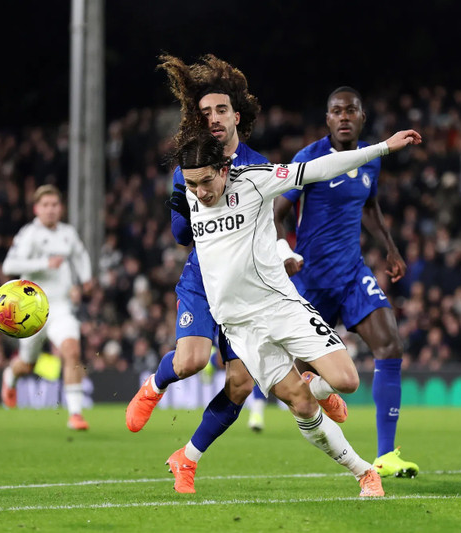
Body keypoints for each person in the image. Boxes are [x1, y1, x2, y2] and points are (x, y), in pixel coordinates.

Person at [169, 120, 421, 496]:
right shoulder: (191, 193)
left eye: (206, 182)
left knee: (347, 381)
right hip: (241, 327)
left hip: (281, 305)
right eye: (191, 184)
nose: (200, 193)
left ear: (224, 169)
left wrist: (382, 147)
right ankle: (363, 472)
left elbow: (319, 168)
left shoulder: (255, 180)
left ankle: (313, 383)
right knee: (301, 406)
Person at [125, 56, 341, 492]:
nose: (214, 119)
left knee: (240, 384)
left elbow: (268, 229)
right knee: (191, 362)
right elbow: (181, 235)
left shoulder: (257, 164)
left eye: (221, 110)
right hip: (205, 281)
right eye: (205, 113)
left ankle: (186, 458)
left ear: (236, 115)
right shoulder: (189, 164)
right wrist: (184, 202)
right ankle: (154, 384)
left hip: (246, 291)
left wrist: (282, 251)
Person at [273, 87, 419, 478]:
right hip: (311, 279)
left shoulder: (370, 161)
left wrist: (389, 248)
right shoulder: (309, 159)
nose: (343, 117)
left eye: (350, 110)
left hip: (352, 273)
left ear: (361, 117)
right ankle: (322, 400)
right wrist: (284, 253)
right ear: (327, 119)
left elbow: (369, 205)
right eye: (336, 111)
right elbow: (277, 211)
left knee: (390, 344)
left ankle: (386, 455)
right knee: (304, 380)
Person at [0, 184, 93, 430]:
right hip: (31, 308)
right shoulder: (28, 234)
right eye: (45, 205)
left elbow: (80, 256)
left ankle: (75, 414)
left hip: (61, 305)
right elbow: (9, 265)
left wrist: (85, 279)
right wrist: (44, 263)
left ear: (60, 208)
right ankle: (10, 376)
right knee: (27, 364)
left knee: (71, 350)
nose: (50, 210)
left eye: (54, 205)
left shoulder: (68, 233)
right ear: (36, 209)